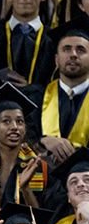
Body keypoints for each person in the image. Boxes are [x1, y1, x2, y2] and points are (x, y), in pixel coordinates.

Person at [0, 83, 47, 208]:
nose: (14, 127)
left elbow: (42, 218)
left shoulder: (40, 167)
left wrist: (25, 188)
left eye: (19, 121)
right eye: (6, 121)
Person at [39, 17, 89, 162]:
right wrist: (43, 141)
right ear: (56, 59)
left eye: (81, 50)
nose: (73, 54)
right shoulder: (37, 97)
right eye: (66, 49)